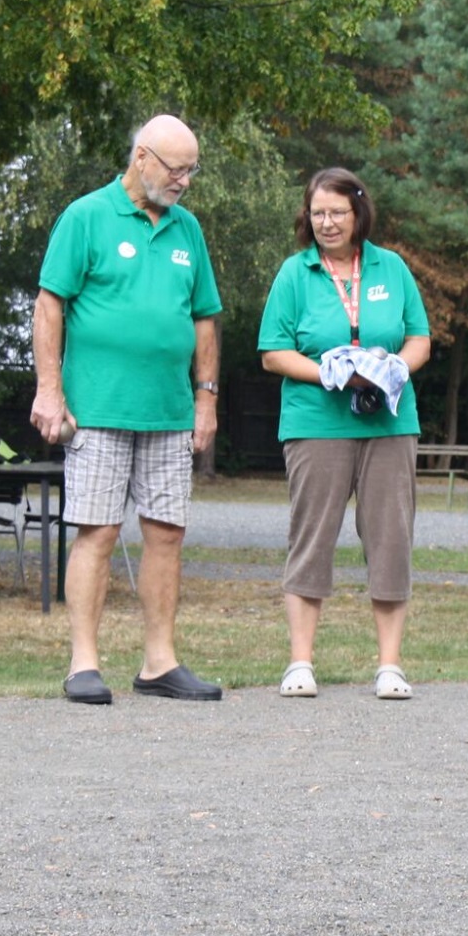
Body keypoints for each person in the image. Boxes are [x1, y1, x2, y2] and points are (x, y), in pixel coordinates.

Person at [30, 115, 224, 705]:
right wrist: (48, 390)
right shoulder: (86, 216)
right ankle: (83, 664)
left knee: (167, 534)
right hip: (98, 408)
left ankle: (159, 663)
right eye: (176, 169)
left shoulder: (188, 230)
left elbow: (205, 319)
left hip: (169, 412)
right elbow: (49, 305)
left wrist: (206, 398)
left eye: (191, 170)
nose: (185, 180)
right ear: (142, 158)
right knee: (98, 531)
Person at [258, 168, 432, 699]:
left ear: (359, 214)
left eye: (337, 212)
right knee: (311, 537)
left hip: (389, 423)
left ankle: (390, 667)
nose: (327, 223)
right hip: (316, 422)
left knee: (391, 538)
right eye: (318, 213)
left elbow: (420, 338)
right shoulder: (294, 273)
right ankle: (300, 664)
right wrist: (329, 373)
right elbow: (273, 352)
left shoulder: (391, 267)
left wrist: (395, 368)